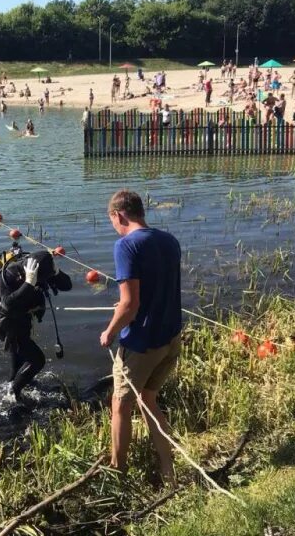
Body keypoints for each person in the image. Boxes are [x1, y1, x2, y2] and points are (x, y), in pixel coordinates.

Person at [100, 190, 182, 484]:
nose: (113, 225)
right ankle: (168, 470)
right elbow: (154, 289)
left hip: (142, 343)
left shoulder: (126, 246)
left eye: (111, 219)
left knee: (120, 406)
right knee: (148, 399)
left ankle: (117, 473)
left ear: (118, 215)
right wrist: (127, 307)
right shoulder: (169, 240)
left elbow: (130, 304)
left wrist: (110, 330)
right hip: (171, 338)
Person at [0, 248, 72, 403]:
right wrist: (29, 283)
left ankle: (18, 382)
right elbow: (8, 305)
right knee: (37, 360)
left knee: (19, 361)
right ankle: (14, 394)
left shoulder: (40, 269)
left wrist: (56, 272)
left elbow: (67, 286)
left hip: (21, 321)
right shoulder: (9, 275)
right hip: (5, 324)